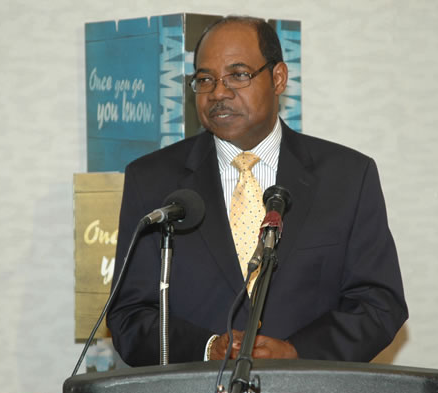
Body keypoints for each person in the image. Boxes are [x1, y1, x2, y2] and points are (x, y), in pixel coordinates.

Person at [106, 16, 408, 366]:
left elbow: (378, 303)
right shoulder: (152, 180)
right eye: (205, 79)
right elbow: (129, 316)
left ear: (278, 77)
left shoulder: (347, 176)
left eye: (238, 74)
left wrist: (298, 353)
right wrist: (206, 349)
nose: (218, 92)